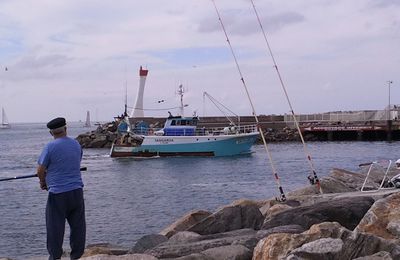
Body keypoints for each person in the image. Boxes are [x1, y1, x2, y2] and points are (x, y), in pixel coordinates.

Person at [37, 117, 86, 260]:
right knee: (78, 227)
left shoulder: (50, 147)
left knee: (55, 228)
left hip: (58, 193)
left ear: (51, 133)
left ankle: (55, 257)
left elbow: (41, 170)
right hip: (77, 191)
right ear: (66, 129)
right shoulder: (76, 144)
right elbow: (76, 161)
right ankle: (76, 256)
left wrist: (43, 182)